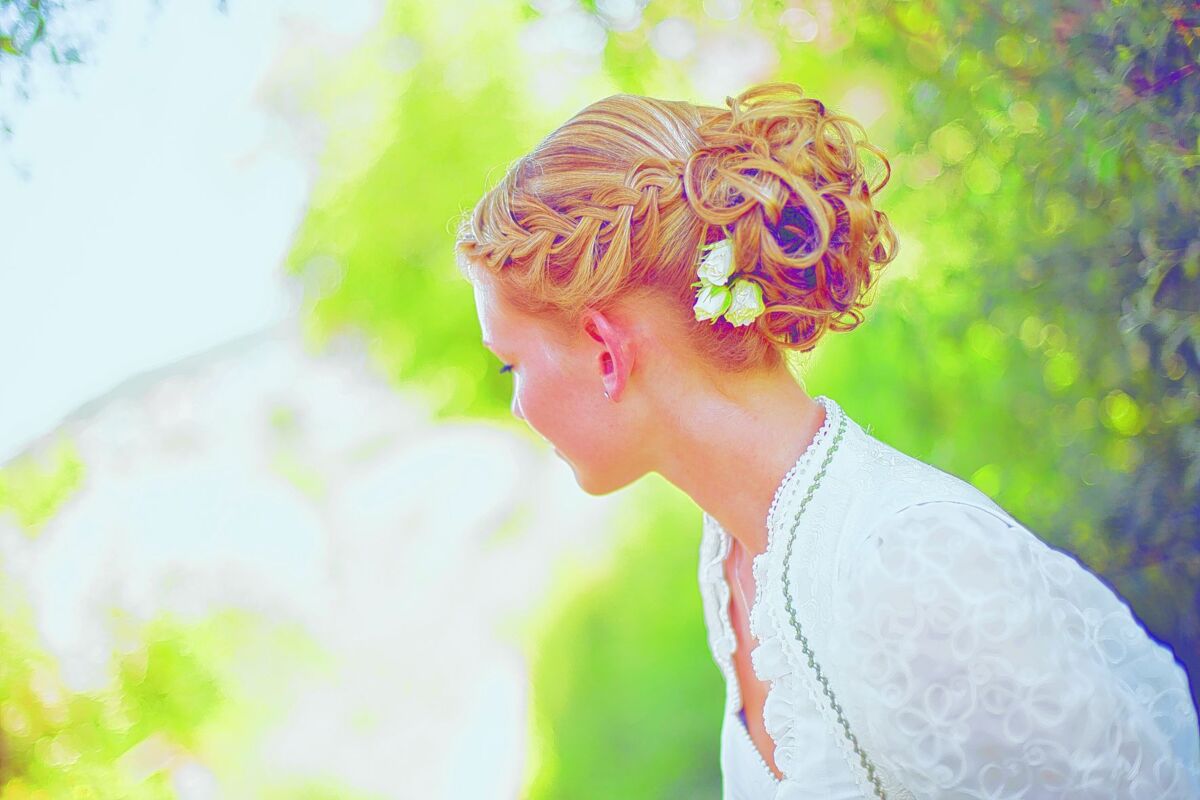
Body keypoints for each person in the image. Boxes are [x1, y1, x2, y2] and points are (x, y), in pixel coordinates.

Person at [455, 82, 1200, 798]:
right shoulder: (734, 556)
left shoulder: (909, 565)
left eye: (510, 364)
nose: (516, 405)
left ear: (605, 351)